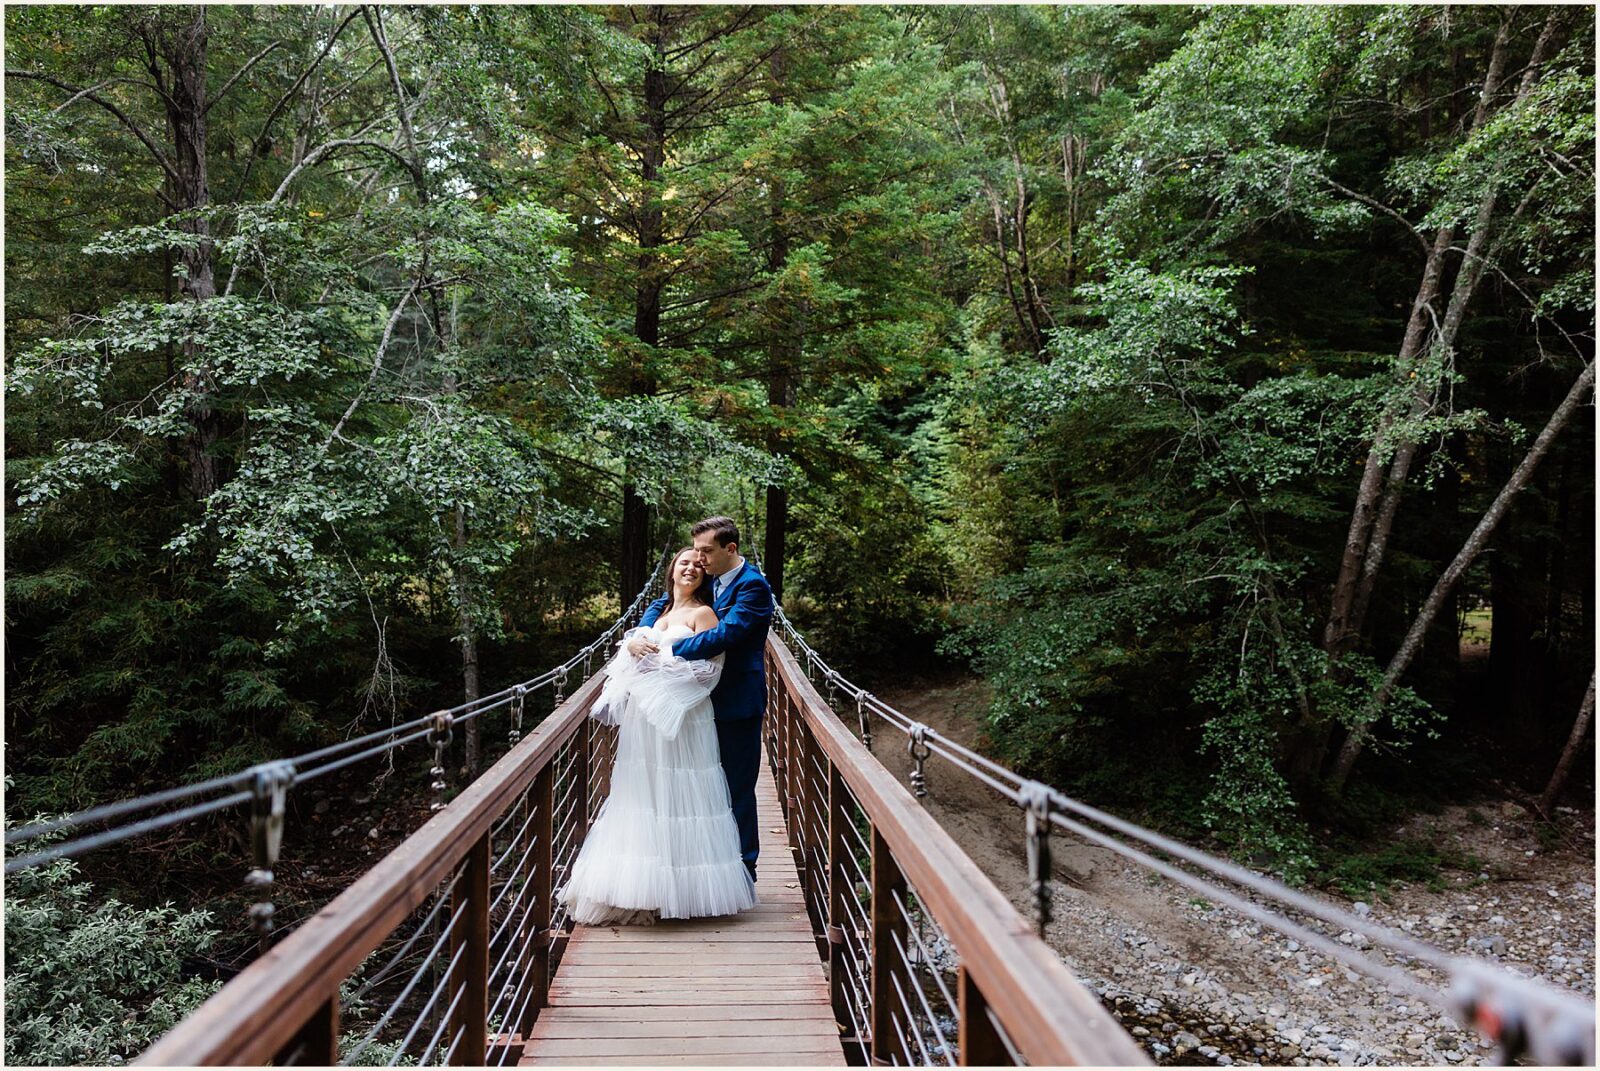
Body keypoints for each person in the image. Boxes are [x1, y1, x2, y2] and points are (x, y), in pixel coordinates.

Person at [557, 547, 757, 925]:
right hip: (642, 722)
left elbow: (708, 673)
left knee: (680, 796)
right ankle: (643, 891)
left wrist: (657, 669)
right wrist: (630, 645)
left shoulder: (704, 613)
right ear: (671, 569)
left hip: (681, 718)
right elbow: (627, 663)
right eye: (684, 562)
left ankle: (683, 892)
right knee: (643, 794)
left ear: (705, 576)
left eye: (698, 566)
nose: (691, 569)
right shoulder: (659, 612)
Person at [631, 516, 773, 882]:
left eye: (706, 551)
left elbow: (727, 634)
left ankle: (744, 872)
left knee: (736, 788)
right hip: (694, 704)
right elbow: (668, 602)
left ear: (731, 549)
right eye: (695, 551)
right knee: (698, 788)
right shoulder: (710, 576)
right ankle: (699, 871)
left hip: (736, 703)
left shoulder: (753, 586)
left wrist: (667, 647)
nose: (699, 559)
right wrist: (641, 634)